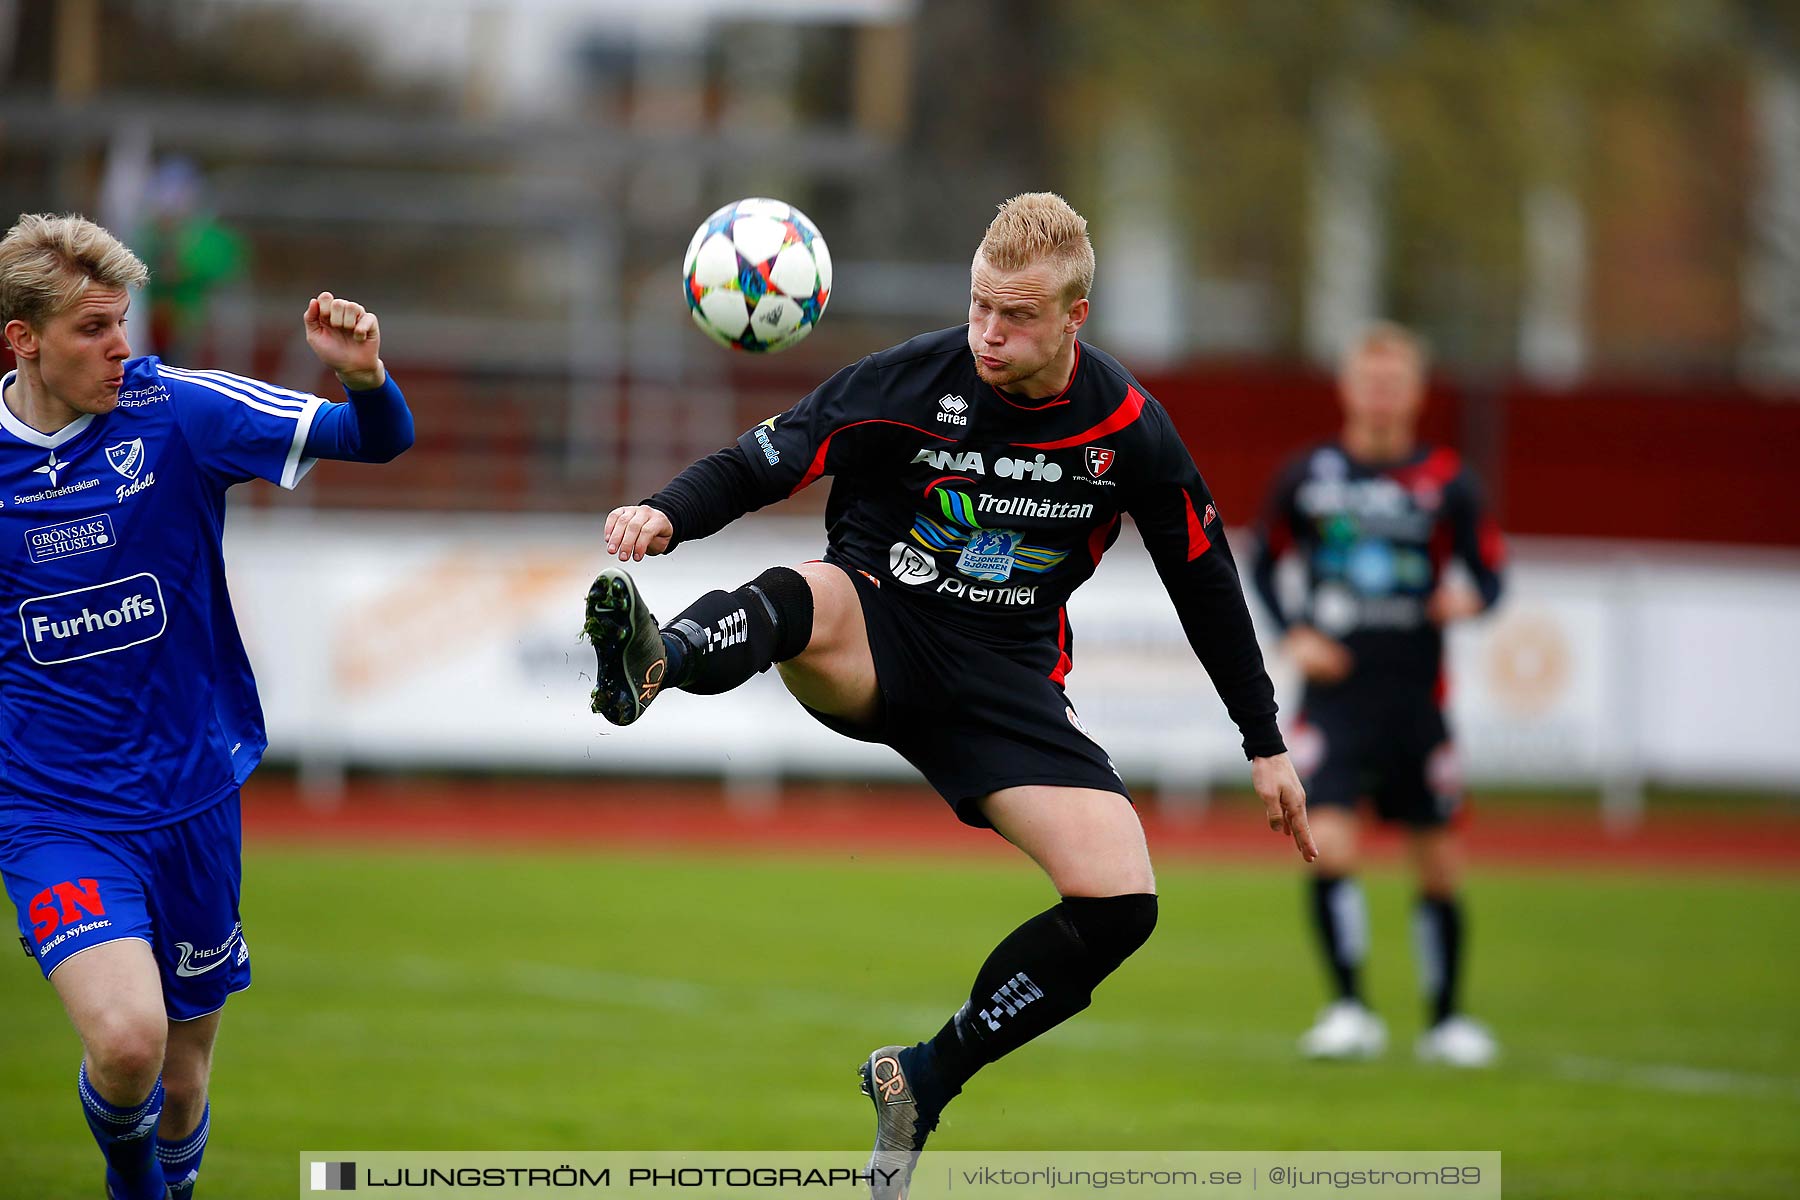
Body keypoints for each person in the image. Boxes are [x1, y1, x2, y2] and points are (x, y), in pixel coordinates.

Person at [586, 193, 1314, 1197]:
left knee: (1123, 898)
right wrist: (666, 515)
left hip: (1005, 680)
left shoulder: (1129, 429)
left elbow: (1204, 573)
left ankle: (922, 1080)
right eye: (978, 306)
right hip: (880, 625)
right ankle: (653, 660)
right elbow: (771, 457)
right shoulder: (910, 381)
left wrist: (1262, 740)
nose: (988, 333)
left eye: (1015, 316)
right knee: (808, 593)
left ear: (1075, 319)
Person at [0, 213, 414, 1199]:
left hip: (190, 805)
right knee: (129, 1041)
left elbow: (378, 439)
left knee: (181, 1084)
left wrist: (361, 372)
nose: (121, 346)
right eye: (93, 329)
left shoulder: (178, 412)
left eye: (123, 322)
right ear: (24, 340)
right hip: (51, 815)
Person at [1250, 322, 1505, 1068]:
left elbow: (1490, 573)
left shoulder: (1448, 481)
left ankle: (1446, 1020)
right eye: (1371, 381)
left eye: (1396, 383)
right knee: (1329, 846)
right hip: (1334, 700)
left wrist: (1471, 600)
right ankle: (1349, 1007)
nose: (1383, 395)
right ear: (1348, 389)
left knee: (1439, 863)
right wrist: (1295, 631)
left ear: (1418, 394)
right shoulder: (1309, 475)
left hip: (1416, 701)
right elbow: (1264, 561)